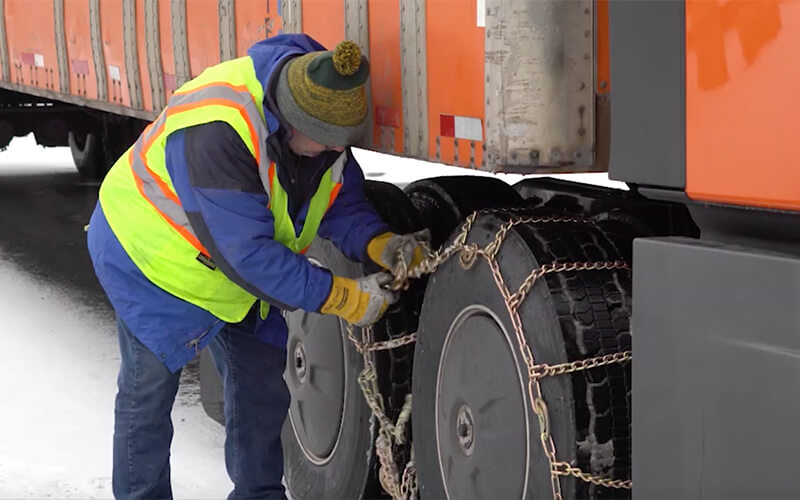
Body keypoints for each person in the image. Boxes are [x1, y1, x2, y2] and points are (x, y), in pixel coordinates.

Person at [86, 34, 428, 500]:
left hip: (234, 272)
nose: (332, 152)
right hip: (152, 261)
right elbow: (250, 257)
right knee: (148, 395)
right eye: (323, 142)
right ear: (290, 121)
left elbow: (338, 200)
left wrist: (380, 243)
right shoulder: (217, 132)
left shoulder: (323, 125)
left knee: (262, 391)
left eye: (339, 145)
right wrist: (344, 297)